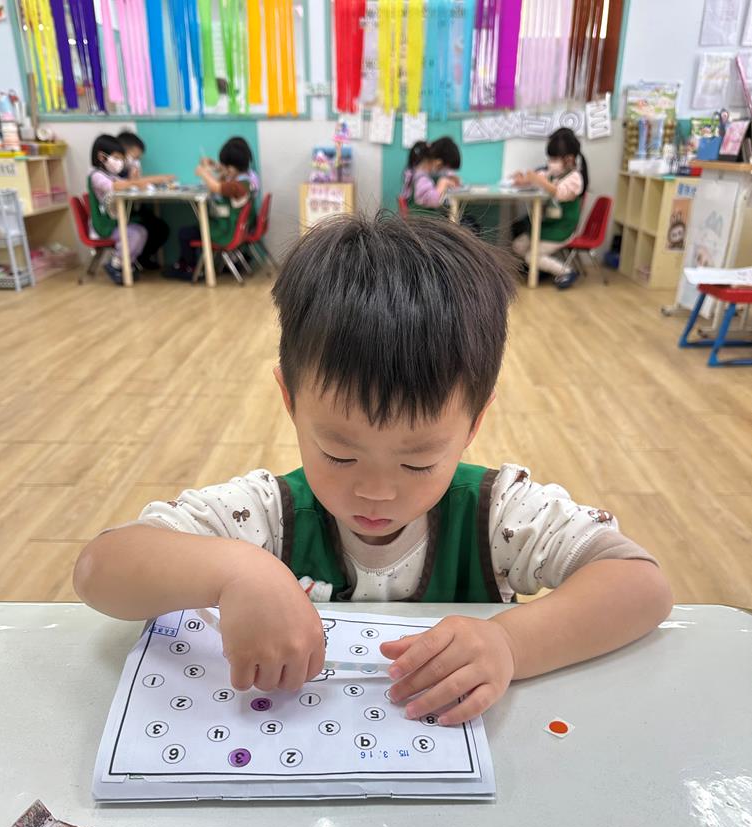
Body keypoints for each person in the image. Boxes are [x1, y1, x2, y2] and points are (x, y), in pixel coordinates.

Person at [74, 213, 672, 725]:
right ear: (289, 400)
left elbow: (641, 585)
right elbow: (100, 569)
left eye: (419, 460)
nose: (377, 491)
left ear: (475, 423)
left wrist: (510, 642)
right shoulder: (267, 515)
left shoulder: (498, 513)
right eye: (339, 454)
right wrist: (235, 571)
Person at [166, 136, 259, 281]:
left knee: (185, 233)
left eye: (226, 167)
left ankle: (190, 268)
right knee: (191, 231)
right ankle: (191, 265)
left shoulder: (238, 186)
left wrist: (203, 173)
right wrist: (216, 166)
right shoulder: (246, 179)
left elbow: (216, 187)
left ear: (234, 166)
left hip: (226, 232)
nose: (224, 170)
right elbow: (222, 180)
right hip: (232, 228)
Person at [86, 135, 173, 286]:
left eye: (121, 158)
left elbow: (126, 183)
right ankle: (115, 264)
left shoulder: (110, 175)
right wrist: (148, 180)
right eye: (117, 158)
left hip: (115, 221)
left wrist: (135, 180)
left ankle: (127, 263)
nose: (121, 162)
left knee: (141, 232)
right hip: (104, 225)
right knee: (135, 234)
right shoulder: (96, 176)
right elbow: (115, 186)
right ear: (101, 157)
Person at [511, 127, 588, 289]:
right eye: (550, 158)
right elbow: (537, 178)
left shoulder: (575, 178)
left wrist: (539, 180)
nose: (550, 162)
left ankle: (567, 271)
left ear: (569, 159)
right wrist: (522, 180)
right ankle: (542, 269)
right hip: (547, 225)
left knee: (531, 257)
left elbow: (559, 192)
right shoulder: (552, 174)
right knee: (518, 246)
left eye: (554, 158)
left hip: (562, 228)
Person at [116, 130, 170, 271]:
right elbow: (124, 188)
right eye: (134, 158)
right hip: (118, 218)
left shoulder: (128, 170)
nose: (136, 162)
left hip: (131, 213)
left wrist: (137, 180)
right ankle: (128, 262)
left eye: (138, 159)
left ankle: (141, 259)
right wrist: (135, 181)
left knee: (160, 227)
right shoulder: (112, 174)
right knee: (155, 227)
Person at [399, 141, 458, 213]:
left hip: (420, 217)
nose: (438, 167)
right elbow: (433, 201)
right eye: (438, 164)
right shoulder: (422, 178)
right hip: (421, 219)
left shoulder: (416, 174)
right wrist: (442, 184)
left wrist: (449, 177)